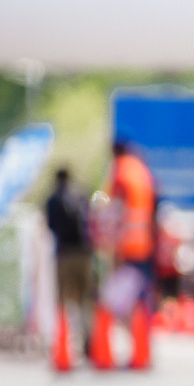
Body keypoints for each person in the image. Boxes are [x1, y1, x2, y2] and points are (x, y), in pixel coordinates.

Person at [103, 138, 158, 369]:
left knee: (116, 301)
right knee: (141, 301)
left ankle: (133, 352)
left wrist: (111, 247)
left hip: (128, 248)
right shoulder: (142, 171)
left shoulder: (120, 173)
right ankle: (143, 352)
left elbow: (116, 211)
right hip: (145, 246)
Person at [44, 166, 96, 368]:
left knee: (63, 301)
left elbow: (50, 226)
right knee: (85, 300)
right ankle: (88, 343)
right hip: (85, 254)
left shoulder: (54, 199)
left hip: (64, 254)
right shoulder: (82, 194)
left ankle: (63, 346)